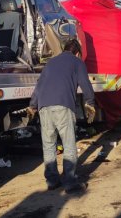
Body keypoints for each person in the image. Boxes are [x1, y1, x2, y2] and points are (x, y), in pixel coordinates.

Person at [27, 39, 95, 194]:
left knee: (49, 145)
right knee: (69, 143)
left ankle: (52, 181)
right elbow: (85, 84)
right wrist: (90, 103)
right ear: (77, 52)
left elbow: (39, 86)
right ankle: (70, 183)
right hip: (63, 106)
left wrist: (32, 105)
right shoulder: (77, 62)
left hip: (44, 106)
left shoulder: (50, 63)